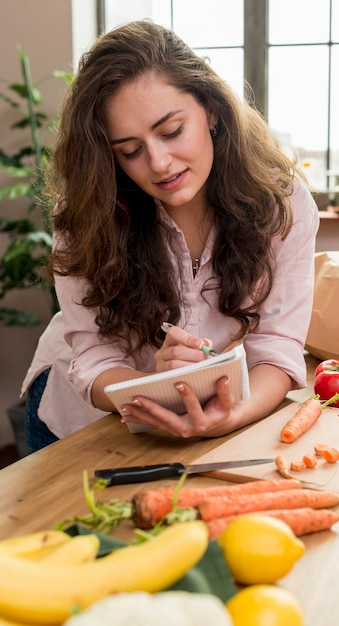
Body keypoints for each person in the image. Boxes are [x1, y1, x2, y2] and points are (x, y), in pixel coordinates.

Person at [22, 20, 319, 453]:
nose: (159, 163)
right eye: (130, 150)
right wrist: (157, 386)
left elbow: (276, 348)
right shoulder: (85, 213)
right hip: (83, 421)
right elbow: (95, 361)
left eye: (172, 131)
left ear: (212, 110)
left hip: (204, 418)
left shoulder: (283, 203)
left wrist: (234, 412)